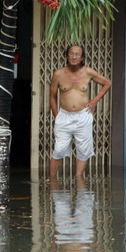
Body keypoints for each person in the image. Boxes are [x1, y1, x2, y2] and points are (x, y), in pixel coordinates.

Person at [48, 44, 111, 180]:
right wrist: (57, 116)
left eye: (77, 54)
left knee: (83, 150)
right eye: (71, 54)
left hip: (83, 115)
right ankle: (52, 182)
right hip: (64, 116)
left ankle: (79, 180)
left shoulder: (88, 72)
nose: (74, 57)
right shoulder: (58, 73)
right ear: (67, 56)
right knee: (58, 150)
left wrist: (95, 100)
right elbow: (52, 97)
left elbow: (107, 83)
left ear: (82, 58)